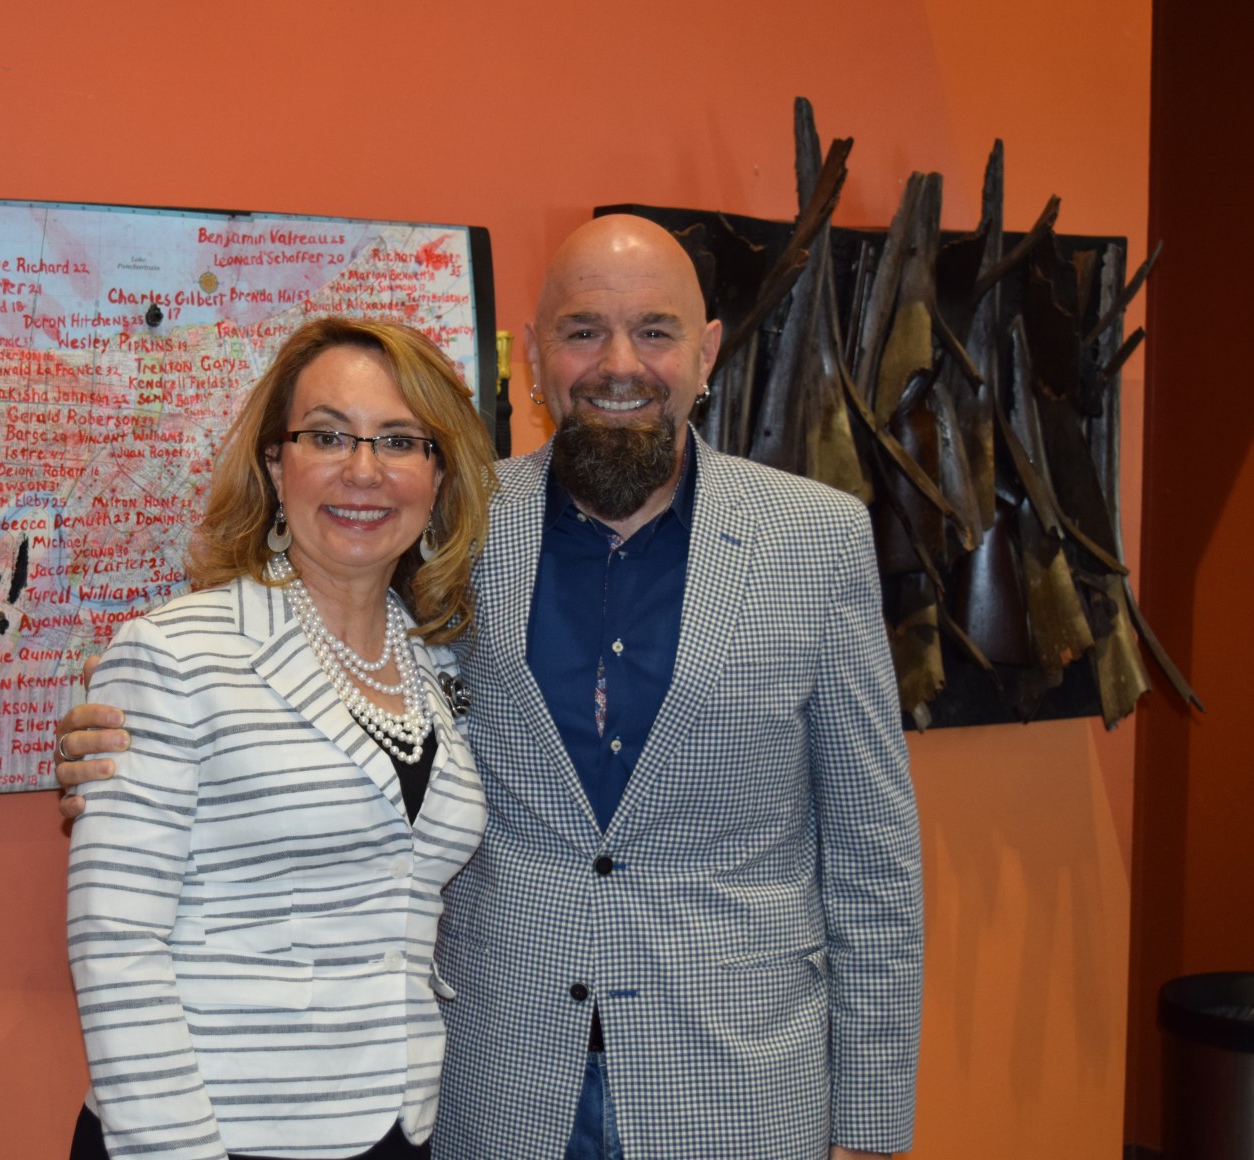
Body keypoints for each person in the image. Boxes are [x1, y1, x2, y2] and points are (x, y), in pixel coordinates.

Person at [59, 216, 923, 1160]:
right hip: (497, 1081)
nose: (618, 363)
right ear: (539, 359)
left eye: (657, 331)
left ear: (708, 351)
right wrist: (124, 733)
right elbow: (297, 645)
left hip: (738, 1084)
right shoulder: (455, 526)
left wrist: (871, 1125)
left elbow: (874, 854)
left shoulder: (819, 540)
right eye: (584, 330)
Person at [64, 317, 491, 1160]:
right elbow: (115, 939)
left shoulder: (436, 661)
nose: (363, 471)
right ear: (274, 462)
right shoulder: (176, 652)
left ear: (437, 476)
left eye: (400, 441)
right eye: (327, 435)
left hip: (398, 1123)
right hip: (216, 1131)